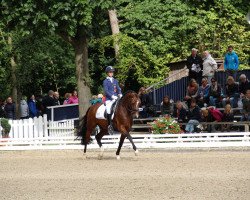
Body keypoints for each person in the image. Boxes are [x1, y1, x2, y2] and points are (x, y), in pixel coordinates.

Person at [103, 66, 122, 133]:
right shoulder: (105, 81)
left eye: (112, 72)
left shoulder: (115, 80)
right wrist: (112, 96)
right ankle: (109, 125)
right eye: (110, 72)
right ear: (107, 73)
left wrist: (120, 93)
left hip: (116, 98)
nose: (111, 73)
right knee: (108, 109)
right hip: (109, 99)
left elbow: (118, 88)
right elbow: (106, 91)